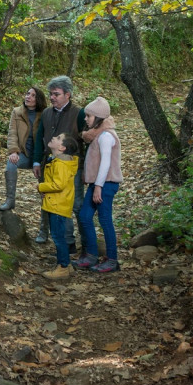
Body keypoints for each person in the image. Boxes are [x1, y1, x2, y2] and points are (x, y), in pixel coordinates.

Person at [31, 76, 86, 252]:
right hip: (49, 165)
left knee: (76, 204)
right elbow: (39, 137)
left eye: (56, 94)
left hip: (71, 167)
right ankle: (66, 244)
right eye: (50, 94)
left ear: (67, 95)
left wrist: (86, 169)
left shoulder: (79, 113)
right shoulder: (47, 113)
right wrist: (36, 161)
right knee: (53, 202)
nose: (52, 97)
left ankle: (86, 243)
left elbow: (87, 142)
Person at [73, 97, 123, 273]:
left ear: (99, 118)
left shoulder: (106, 136)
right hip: (97, 184)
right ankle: (91, 255)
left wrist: (99, 187)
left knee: (104, 220)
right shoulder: (97, 135)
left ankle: (112, 259)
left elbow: (106, 163)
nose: (86, 119)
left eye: (89, 116)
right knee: (85, 216)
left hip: (105, 184)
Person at [38, 133, 80, 279]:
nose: (53, 137)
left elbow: (58, 184)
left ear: (62, 147)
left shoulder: (61, 164)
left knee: (57, 237)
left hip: (58, 205)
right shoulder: (57, 161)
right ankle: (66, 264)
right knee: (58, 235)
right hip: (56, 203)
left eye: (57, 138)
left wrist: (41, 187)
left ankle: (62, 267)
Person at [0, 86, 48, 211]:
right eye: (27, 94)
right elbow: (12, 133)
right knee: (11, 163)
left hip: (41, 157)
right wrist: (13, 151)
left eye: (32, 95)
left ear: (39, 99)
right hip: (24, 154)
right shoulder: (17, 112)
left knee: (46, 191)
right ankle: (10, 200)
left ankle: (45, 226)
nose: (28, 97)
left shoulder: (46, 114)